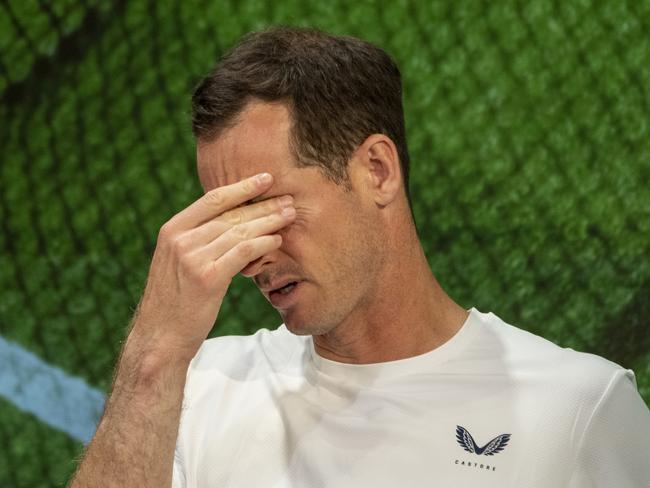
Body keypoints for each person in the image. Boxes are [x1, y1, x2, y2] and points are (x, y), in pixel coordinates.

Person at [69, 26, 649, 488]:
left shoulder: (578, 410)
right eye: (229, 219)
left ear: (376, 171)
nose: (251, 258)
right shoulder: (199, 386)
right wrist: (155, 355)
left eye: (267, 208)